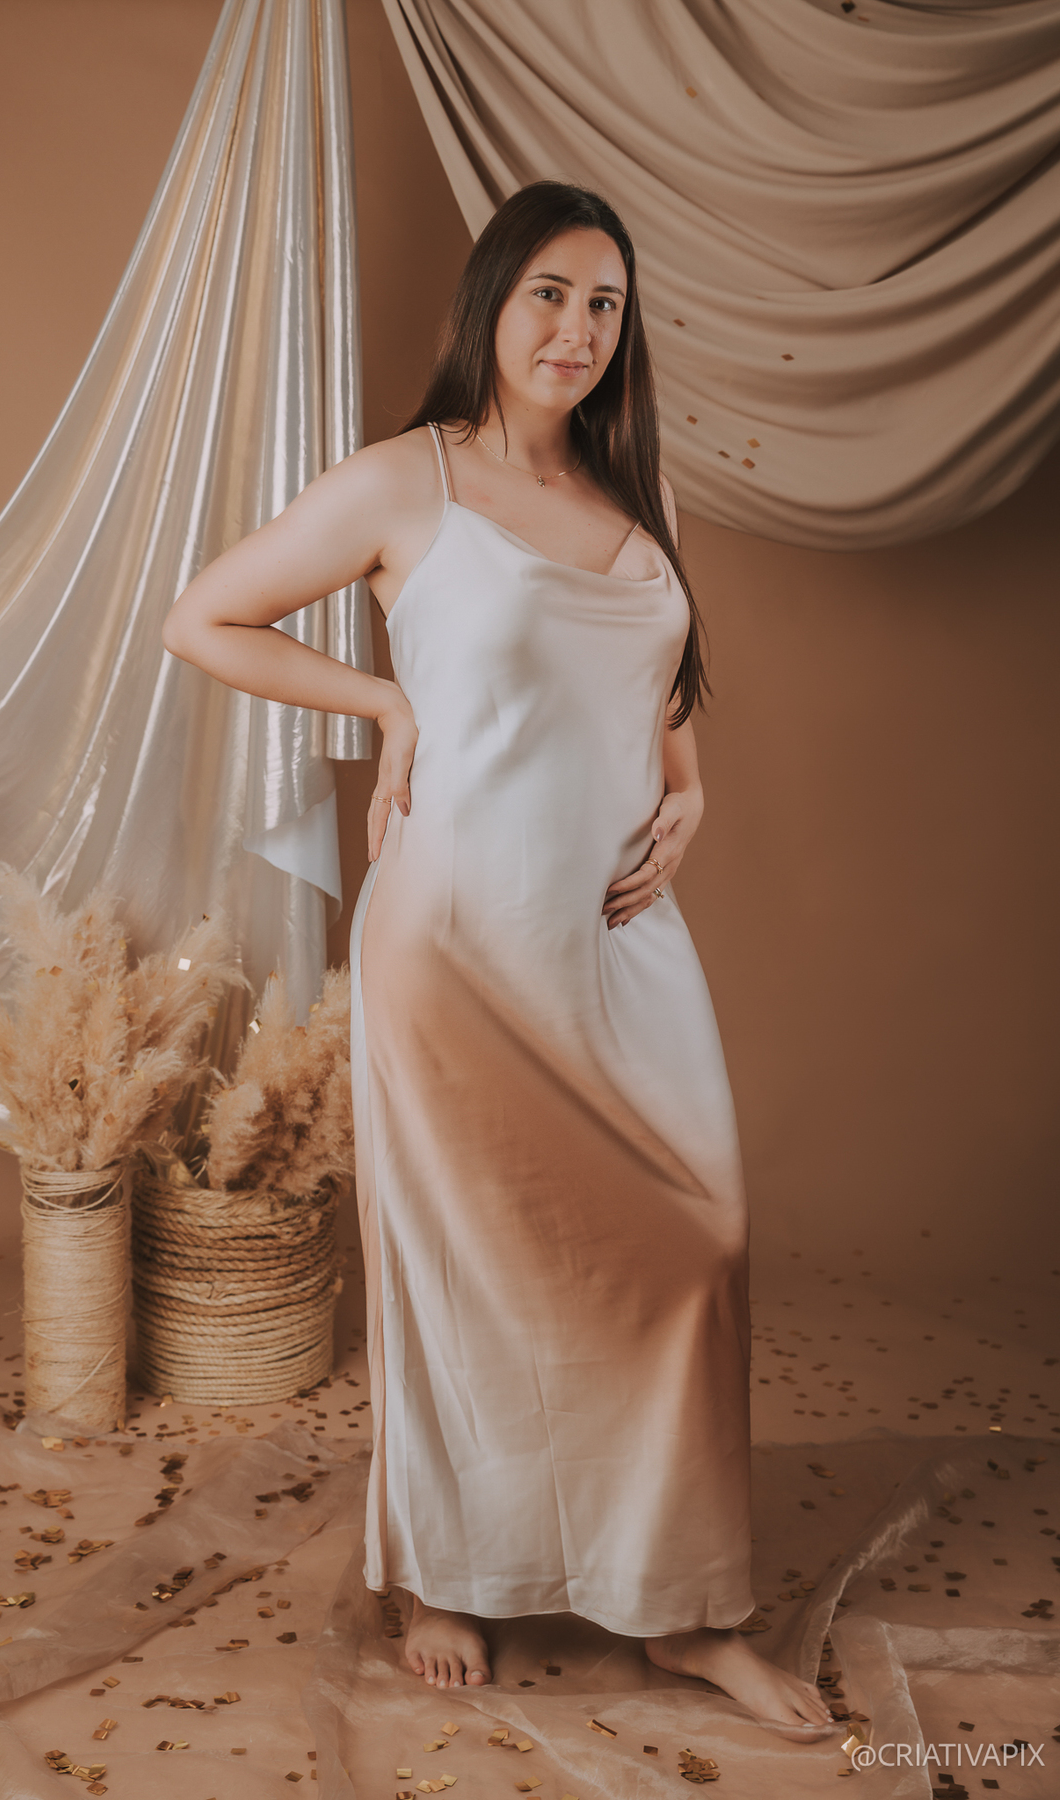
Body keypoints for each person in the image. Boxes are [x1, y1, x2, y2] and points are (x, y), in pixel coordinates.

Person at [163, 181, 834, 1742]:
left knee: (697, 1241)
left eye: (605, 305)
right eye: (550, 293)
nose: (577, 330)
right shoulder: (409, 482)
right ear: (492, 302)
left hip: (615, 942)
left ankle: (685, 1611)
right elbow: (206, 618)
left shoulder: (630, 494)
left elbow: (657, 688)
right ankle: (443, 1574)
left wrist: (691, 791)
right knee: (464, 1262)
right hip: (457, 938)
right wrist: (383, 705)